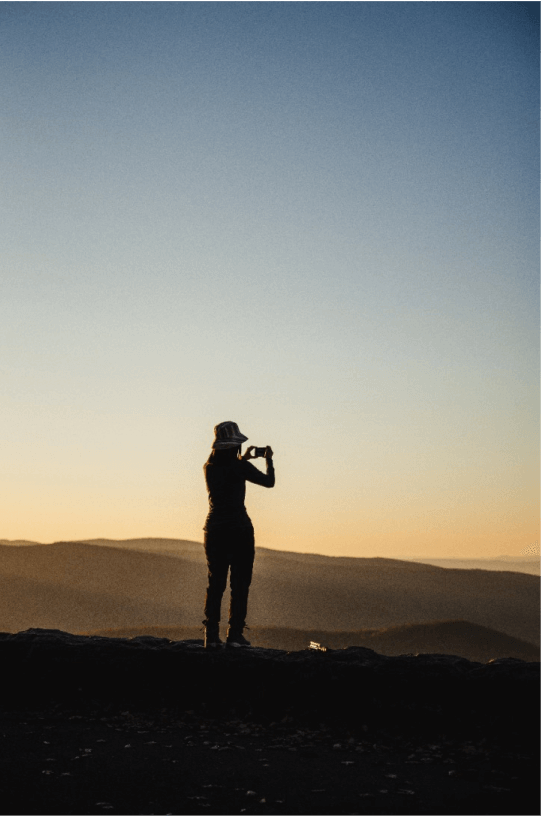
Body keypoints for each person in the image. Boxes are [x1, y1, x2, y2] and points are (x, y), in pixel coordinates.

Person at [202, 421, 275, 649]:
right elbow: (269, 482)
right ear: (235, 445)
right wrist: (268, 459)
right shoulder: (240, 467)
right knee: (240, 585)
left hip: (214, 530)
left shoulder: (209, 467)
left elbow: (227, 469)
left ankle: (211, 636)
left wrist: (243, 459)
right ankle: (234, 635)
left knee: (216, 583)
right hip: (239, 530)